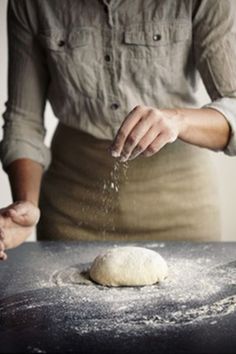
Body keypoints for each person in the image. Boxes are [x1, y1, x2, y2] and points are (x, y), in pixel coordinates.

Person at [1, 0, 236, 261]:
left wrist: (178, 120)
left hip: (182, 211)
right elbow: (23, 121)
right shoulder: (31, 4)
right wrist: (27, 204)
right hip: (71, 214)